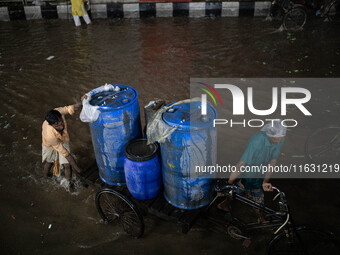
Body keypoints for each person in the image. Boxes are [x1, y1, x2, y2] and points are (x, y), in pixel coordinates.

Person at [218, 120, 287, 219]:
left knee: (241, 189)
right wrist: (229, 183)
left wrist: (265, 181)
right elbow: (241, 164)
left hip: (260, 172)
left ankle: (226, 203)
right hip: (248, 173)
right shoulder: (256, 141)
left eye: (281, 139)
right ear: (270, 136)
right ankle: (260, 216)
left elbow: (273, 160)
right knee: (243, 189)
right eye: (277, 140)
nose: (279, 142)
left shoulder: (279, 138)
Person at [42, 97, 86, 189]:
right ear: (51, 125)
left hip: (63, 139)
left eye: (61, 122)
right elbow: (66, 154)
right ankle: (45, 177)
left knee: (67, 165)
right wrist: (78, 169)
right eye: (57, 125)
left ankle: (69, 184)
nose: (61, 125)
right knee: (49, 162)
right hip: (50, 145)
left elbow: (70, 108)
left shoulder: (58, 112)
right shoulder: (50, 135)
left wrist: (83, 102)